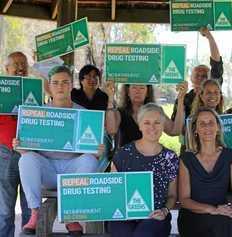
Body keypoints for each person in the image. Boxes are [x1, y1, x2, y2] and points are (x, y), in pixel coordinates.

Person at [13, 65, 105, 235]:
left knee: (90, 160)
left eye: (65, 82)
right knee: (26, 159)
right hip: (47, 170)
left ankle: (71, 215)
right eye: (55, 83)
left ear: (71, 85)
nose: (60, 86)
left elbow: (92, 152)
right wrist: (21, 148)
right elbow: (29, 152)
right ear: (49, 86)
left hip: (72, 170)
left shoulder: (84, 114)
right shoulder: (37, 114)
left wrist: (97, 152)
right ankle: (35, 212)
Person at [109, 103, 178, 237]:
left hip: (156, 217)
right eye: (147, 122)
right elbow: (114, 191)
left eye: (157, 122)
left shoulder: (170, 158)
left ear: (163, 126)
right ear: (139, 125)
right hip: (125, 216)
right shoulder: (123, 154)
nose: (152, 127)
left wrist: (164, 210)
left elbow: (172, 195)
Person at [178, 107, 232, 237]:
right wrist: (212, 210)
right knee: (220, 225)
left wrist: (230, 211)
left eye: (211, 122)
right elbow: (184, 200)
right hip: (193, 216)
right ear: (195, 130)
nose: (207, 127)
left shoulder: (231, 156)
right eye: (202, 123)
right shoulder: (186, 159)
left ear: (218, 127)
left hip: (222, 215)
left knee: (224, 223)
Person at [0, 51, 31, 237]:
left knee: (30, 209)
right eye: (16, 63)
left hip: (30, 154)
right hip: (5, 153)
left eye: (24, 64)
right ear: (7, 68)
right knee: (4, 210)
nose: (20, 67)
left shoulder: (34, 89)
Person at [104, 81, 187, 147]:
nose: (138, 91)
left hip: (150, 159)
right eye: (134, 87)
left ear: (147, 92)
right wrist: (110, 97)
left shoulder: (155, 112)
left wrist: (181, 98)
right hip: (127, 161)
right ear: (128, 92)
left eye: (142, 88)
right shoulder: (120, 112)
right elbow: (111, 130)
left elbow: (174, 131)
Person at [171, 27, 223, 121]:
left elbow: (217, 63)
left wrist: (209, 36)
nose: (200, 78)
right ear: (191, 78)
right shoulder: (185, 99)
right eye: (197, 75)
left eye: (204, 76)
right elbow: (175, 126)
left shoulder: (215, 90)